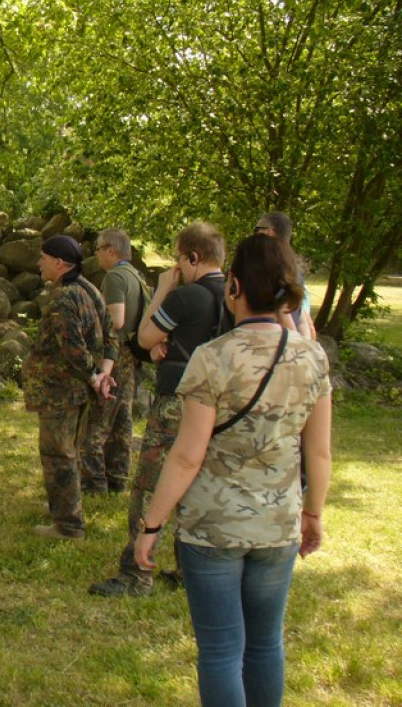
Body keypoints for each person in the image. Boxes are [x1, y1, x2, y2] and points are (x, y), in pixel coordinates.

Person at [134, 234, 332, 707]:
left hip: (212, 528)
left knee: (222, 650)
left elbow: (187, 456)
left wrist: (152, 525)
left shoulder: (212, 358)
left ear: (234, 286)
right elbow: (319, 453)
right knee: (265, 645)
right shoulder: (312, 357)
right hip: (277, 525)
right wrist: (313, 515)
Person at [90, 221, 227, 596]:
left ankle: (136, 574)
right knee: (201, 486)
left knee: (150, 485)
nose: (176, 266)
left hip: (178, 402)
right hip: (224, 405)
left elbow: (146, 335)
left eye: (179, 259)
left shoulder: (187, 296)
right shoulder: (236, 296)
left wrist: (165, 288)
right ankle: (192, 570)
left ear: (192, 257)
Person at [25, 235, 117, 540]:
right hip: (75, 391)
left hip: (60, 392)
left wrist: (95, 377)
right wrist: (104, 372)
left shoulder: (64, 297)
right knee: (69, 453)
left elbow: (73, 348)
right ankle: (62, 507)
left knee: (58, 455)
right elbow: (109, 333)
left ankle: (67, 525)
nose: (39, 263)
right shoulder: (88, 288)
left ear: (60, 263)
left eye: (43, 258)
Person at [82, 228, 149, 494]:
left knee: (98, 417)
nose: (96, 254)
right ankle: (118, 478)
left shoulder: (114, 277)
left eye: (98, 248)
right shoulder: (137, 276)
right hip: (131, 354)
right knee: (122, 417)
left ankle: (92, 481)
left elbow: (116, 320)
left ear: (111, 250)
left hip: (113, 352)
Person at [254, 212, 316, 340]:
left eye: (257, 229)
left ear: (269, 232)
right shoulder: (295, 272)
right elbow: (305, 322)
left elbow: (286, 317)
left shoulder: (266, 272)